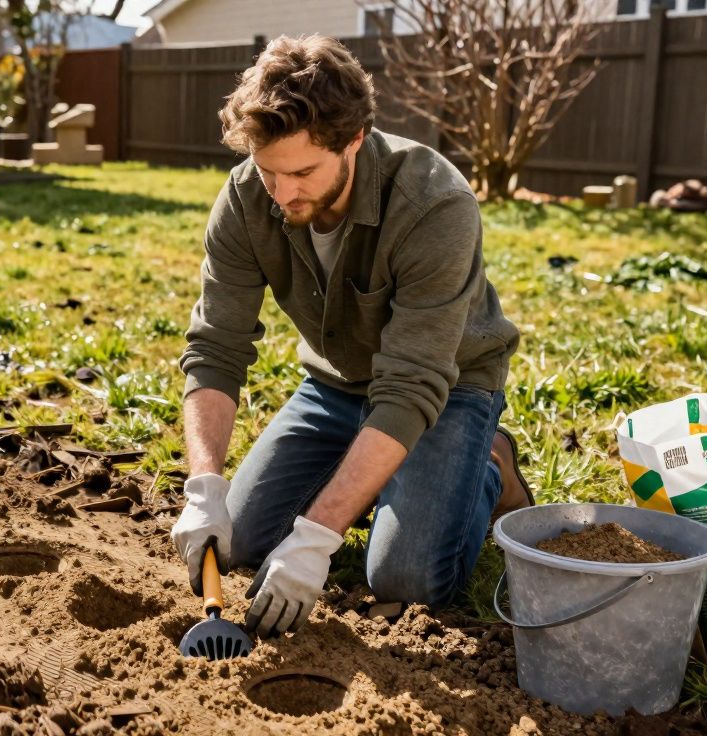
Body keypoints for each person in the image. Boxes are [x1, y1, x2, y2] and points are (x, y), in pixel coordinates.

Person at [170, 35, 533, 639]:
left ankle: (488, 462)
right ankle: (375, 472)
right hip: (335, 387)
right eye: (268, 171)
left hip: (444, 389)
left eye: (303, 172)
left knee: (406, 579)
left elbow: (412, 384)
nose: (282, 194)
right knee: (239, 541)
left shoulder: (434, 204)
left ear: (354, 141)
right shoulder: (244, 198)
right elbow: (216, 348)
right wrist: (205, 486)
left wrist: (316, 535)